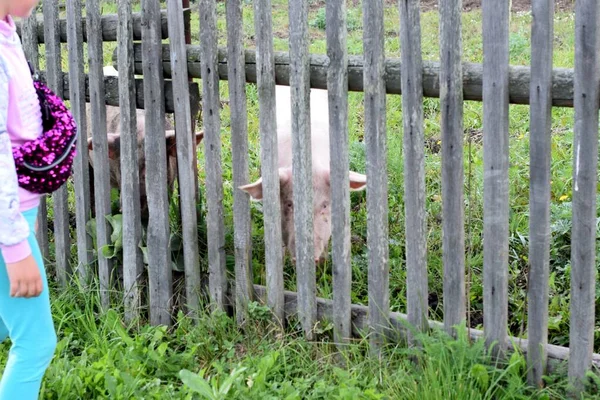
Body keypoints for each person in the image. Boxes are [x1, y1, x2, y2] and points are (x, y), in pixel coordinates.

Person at [0, 0, 57, 398]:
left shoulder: (7, 31)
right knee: (37, 344)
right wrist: (16, 247)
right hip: (6, 226)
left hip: (16, 213)